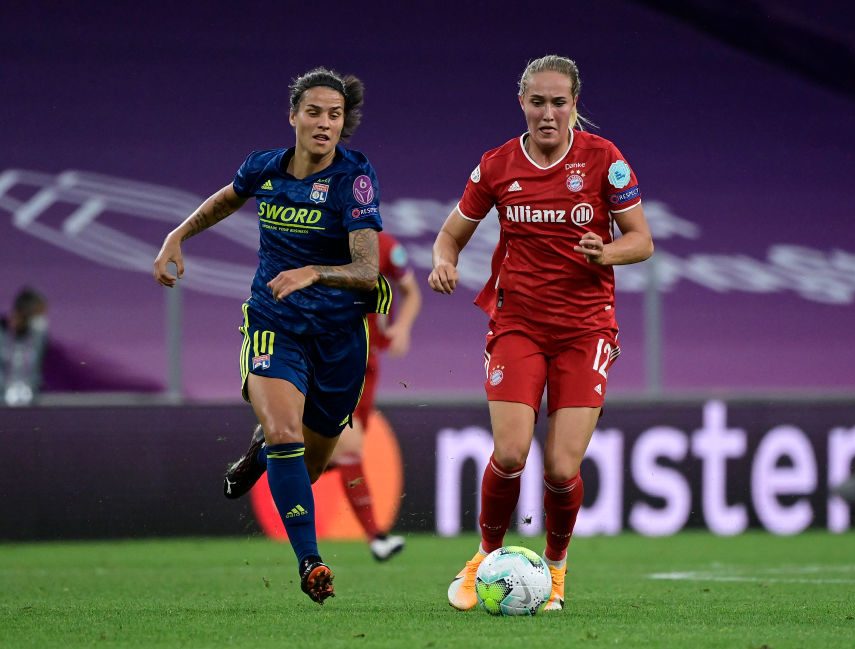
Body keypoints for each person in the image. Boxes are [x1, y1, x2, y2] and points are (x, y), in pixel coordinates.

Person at [153, 67, 391, 604]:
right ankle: (311, 563)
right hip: (274, 322)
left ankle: (261, 452)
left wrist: (313, 271)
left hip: (338, 337)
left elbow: (367, 271)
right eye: (314, 112)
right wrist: (177, 234)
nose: (324, 123)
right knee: (287, 432)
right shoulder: (264, 167)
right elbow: (226, 198)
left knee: (310, 463)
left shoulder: (355, 178)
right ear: (294, 116)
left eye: (335, 115)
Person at [428, 54, 653, 612]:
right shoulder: (498, 165)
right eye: (538, 101)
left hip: (585, 329)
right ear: (522, 103)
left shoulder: (605, 160)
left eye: (559, 102)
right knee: (509, 453)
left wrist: (607, 251)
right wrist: (443, 261)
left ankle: (554, 571)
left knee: (560, 467)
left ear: (576, 104)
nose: (548, 113)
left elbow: (642, 241)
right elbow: (450, 234)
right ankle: (484, 556)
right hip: (519, 325)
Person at [326, 230, 420, 561]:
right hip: (335, 360)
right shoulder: (323, 240)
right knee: (348, 447)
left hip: (369, 364)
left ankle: (267, 456)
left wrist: (403, 328)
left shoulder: (387, 246)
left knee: (331, 456)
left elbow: (411, 291)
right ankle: (375, 537)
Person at [0, 287, 48, 406]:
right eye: (37, 315)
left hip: (30, 405)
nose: (41, 320)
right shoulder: (2, 335)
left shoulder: (38, 337)